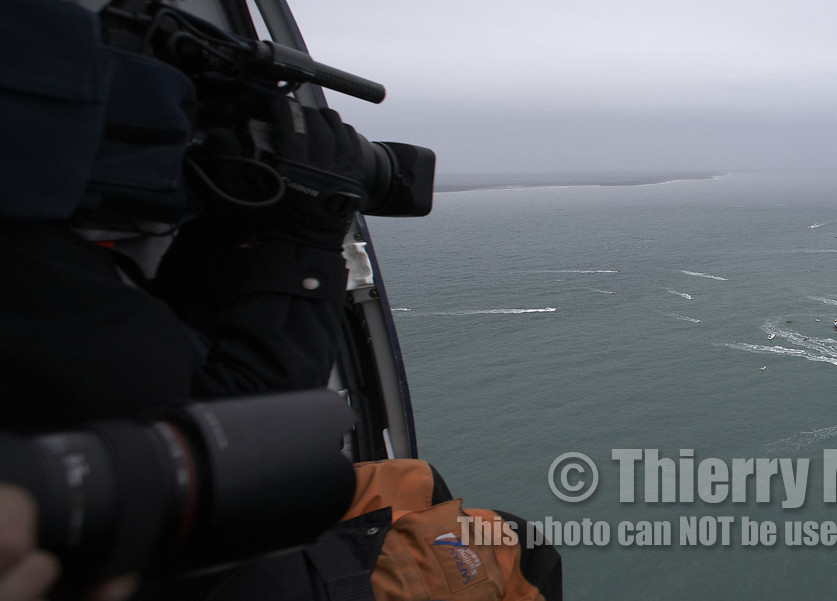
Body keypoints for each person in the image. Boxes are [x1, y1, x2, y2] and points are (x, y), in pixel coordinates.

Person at [0, 0, 560, 598]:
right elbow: (252, 456)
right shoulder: (31, 279)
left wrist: (234, 229)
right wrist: (301, 234)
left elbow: (151, 372)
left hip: (145, 523)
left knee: (418, 483)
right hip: (215, 562)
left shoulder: (45, 278)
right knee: (516, 553)